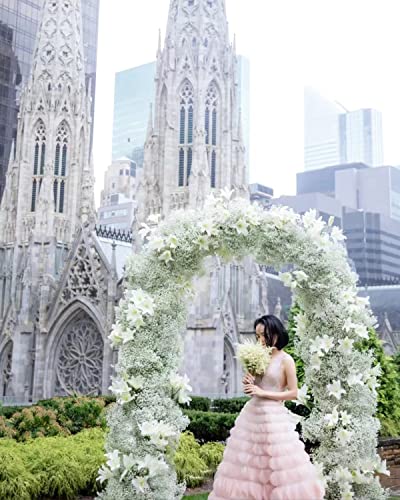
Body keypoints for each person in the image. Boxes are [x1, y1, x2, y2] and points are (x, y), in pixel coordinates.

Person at [209, 315, 325, 500]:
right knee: (249, 462)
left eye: (264, 335)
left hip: (274, 417)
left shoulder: (286, 360)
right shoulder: (259, 356)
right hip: (252, 414)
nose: (261, 340)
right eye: (258, 336)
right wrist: (249, 382)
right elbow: (253, 386)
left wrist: (263, 393)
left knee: (278, 465)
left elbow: (293, 393)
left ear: (276, 333)